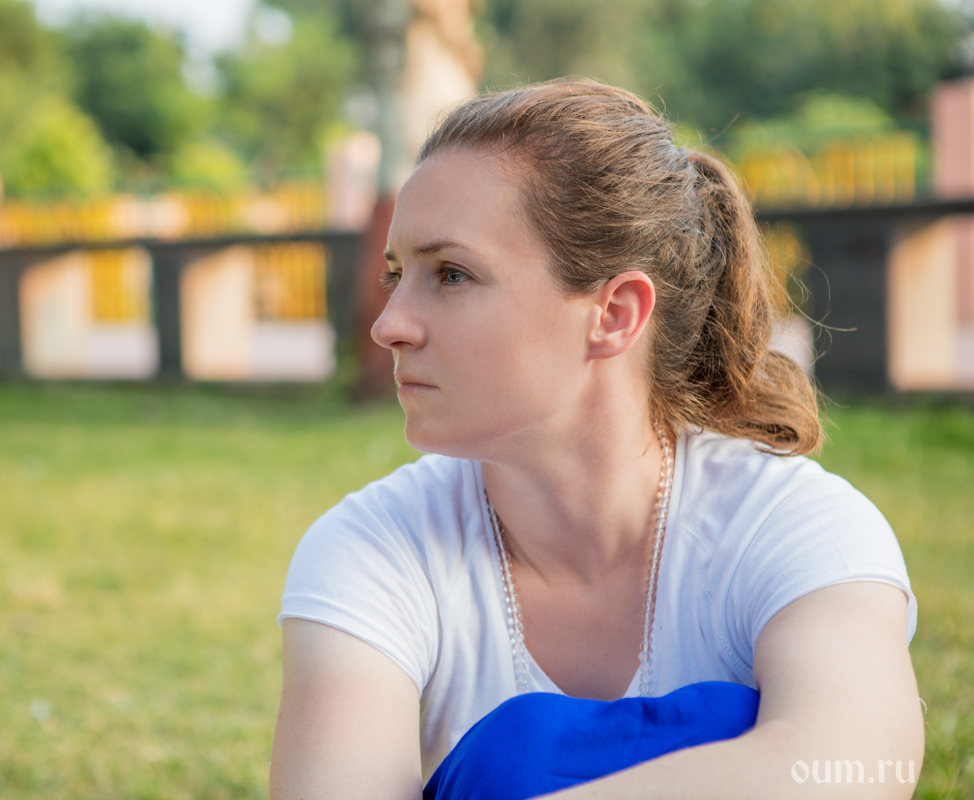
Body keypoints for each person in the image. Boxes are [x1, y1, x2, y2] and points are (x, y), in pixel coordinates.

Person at [270, 78, 922, 799]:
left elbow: (858, 765)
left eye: (451, 274)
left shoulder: (793, 524)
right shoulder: (373, 550)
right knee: (510, 761)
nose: (389, 324)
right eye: (398, 275)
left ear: (614, 314)